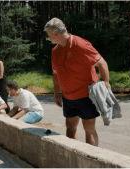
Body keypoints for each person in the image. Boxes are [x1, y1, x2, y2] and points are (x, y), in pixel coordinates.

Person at [44, 17, 110, 146]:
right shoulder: (55, 51)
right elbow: (55, 74)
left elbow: (102, 63)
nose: (48, 38)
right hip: (68, 98)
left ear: (56, 34)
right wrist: (57, 94)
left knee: (89, 129)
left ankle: (91, 160)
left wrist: (105, 85)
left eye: (49, 35)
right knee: (70, 127)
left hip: (87, 96)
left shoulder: (80, 45)